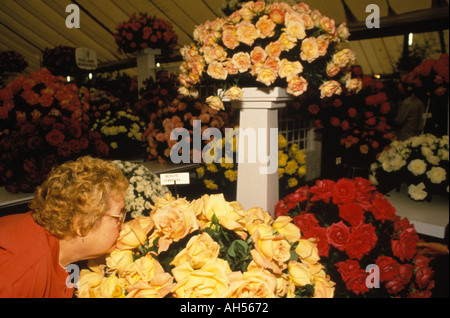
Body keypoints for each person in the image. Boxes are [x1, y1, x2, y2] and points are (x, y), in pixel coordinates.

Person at [0, 156, 129, 298]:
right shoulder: (19, 276)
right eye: (118, 218)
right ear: (80, 225)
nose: (123, 226)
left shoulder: (64, 254)